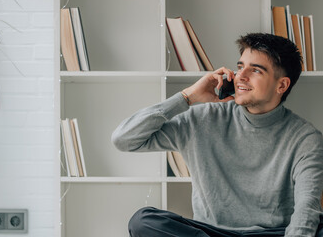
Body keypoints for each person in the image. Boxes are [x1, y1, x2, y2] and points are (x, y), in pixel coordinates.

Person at [111, 33, 323, 237]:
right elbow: (124, 139)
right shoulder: (201, 118)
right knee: (144, 221)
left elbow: (307, 207)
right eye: (240, 67)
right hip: (208, 232)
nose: (241, 76)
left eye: (256, 70)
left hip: (271, 233)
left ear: (282, 85)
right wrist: (187, 96)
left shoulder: (306, 139)